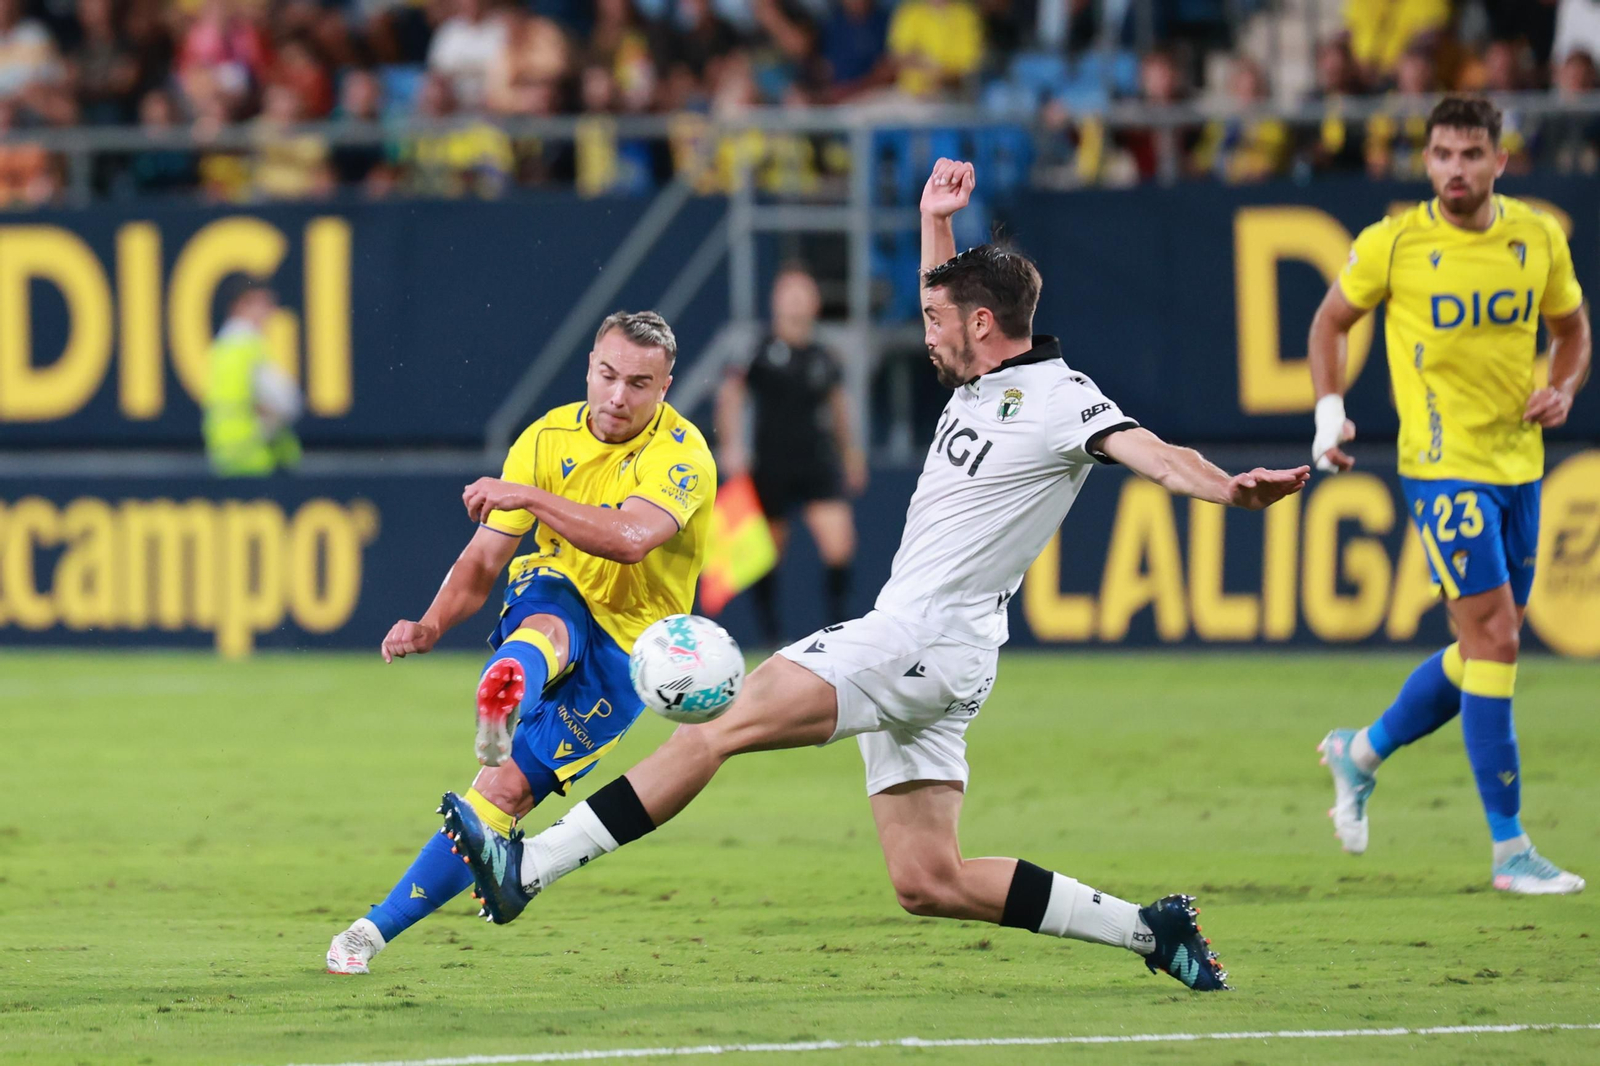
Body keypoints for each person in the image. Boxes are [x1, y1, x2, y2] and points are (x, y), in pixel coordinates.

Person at [440, 160, 1311, 992]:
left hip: (918, 640)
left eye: (939, 321)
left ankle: (532, 865)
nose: (925, 332)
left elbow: (1149, 451)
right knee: (929, 878)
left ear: (981, 325)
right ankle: (1150, 930)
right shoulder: (978, 376)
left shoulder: (1058, 399)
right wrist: (936, 221)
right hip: (946, 652)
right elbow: (948, 296)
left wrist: (1229, 490)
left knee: (713, 723)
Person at [326, 311, 717, 974]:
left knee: (498, 802)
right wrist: (430, 623)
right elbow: (483, 559)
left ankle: (371, 931)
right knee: (549, 626)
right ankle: (503, 700)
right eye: (608, 375)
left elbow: (628, 541)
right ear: (590, 366)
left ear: (666, 387)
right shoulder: (548, 436)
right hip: (560, 589)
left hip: (633, 655)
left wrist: (531, 497)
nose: (619, 395)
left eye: (639, 384)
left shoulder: (682, 456)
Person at [1309, 97, 1591, 895]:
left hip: (1519, 465)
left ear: (1500, 160)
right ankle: (1510, 850)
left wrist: (1563, 387)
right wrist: (1330, 413)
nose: (1454, 169)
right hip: (1439, 465)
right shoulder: (1394, 244)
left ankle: (1358, 752)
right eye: (1441, 154)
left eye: (1471, 154)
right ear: (1427, 162)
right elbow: (1330, 324)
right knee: (1498, 639)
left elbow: (1572, 331)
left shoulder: (1536, 237)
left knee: (1481, 652)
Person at [715, 265, 866, 643]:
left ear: (815, 302)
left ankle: (838, 633)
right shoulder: (759, 349)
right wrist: (732, 446)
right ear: (775, 300)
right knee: (767, 555)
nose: (797, 299)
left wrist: (850, 454)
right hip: (771, 465)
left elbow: (839, 407)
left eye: (804, 292)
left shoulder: (825, 355)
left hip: (817, 462)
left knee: (840, 547)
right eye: (790, 292)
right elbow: (731, 395)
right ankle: (772, 639)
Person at [202, 279, 302, 477]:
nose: (270, 311)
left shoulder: (222, 349)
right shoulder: (247, 347)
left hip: (226, 457)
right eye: (263, 304)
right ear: (241, 305)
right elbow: (284, 403)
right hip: (257, 458)